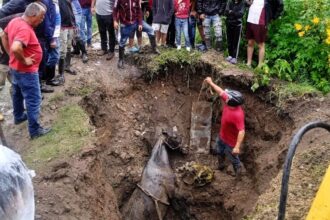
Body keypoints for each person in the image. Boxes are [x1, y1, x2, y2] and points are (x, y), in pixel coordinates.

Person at [1, 2, 52, 139]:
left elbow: (3, 37)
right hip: (26, 71)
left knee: (17, 93)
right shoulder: (24, 29)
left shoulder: (15, 21)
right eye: (41, 17)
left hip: (15, 68)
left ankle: (18, 116)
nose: (42, 20)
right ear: (33, 14)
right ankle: (35, 131)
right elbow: (16, 47)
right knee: (33, 99)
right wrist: (24, 60)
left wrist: (12, 56)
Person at [204, 77, 245, 178]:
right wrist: (210, 82)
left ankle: (238, 173)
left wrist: (237, 147)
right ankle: (221, 165)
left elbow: (241, 131)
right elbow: (220, 91)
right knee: (219, 151)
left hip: (231, 143)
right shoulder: (229, 101)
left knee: (233, 159)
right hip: (222, 136)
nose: (225, 96)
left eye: (227, 97)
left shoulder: (238, 115)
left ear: (231, 101)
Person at [113, 0, 160, 69]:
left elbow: (139, 11)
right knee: (122, 42)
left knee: (150, 30)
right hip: (125, 24)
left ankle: (154, 48)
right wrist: (115, 21)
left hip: (136, 21)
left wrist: (140, 23)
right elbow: (115, 10)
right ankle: (120, 60)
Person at [246, 0, 283, 67]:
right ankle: (248, 63)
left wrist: (273, 17)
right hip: (250, 18)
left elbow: (280, 4)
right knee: (250, 42)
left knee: (261, 44)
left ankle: (259, 66)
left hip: (261, 20)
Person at [58, 0, 77, 83]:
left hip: (70, 26)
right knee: (62, 50)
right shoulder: (58, 1)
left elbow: (71, 13)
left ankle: (67, 66)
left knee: (69, 47)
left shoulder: (69, 2)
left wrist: (74, 25)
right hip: (62, 27)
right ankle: (61, 73)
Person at [224, 0, 245, 64]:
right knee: (229, 40)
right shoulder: (229, 2)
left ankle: (234, 57)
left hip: (237, 24)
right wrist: (234, 12)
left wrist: (231, 12)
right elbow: (226, 12)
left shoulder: (242, 3)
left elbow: (240, 14)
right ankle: (230, 55)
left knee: (236, 41)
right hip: (229, 23)